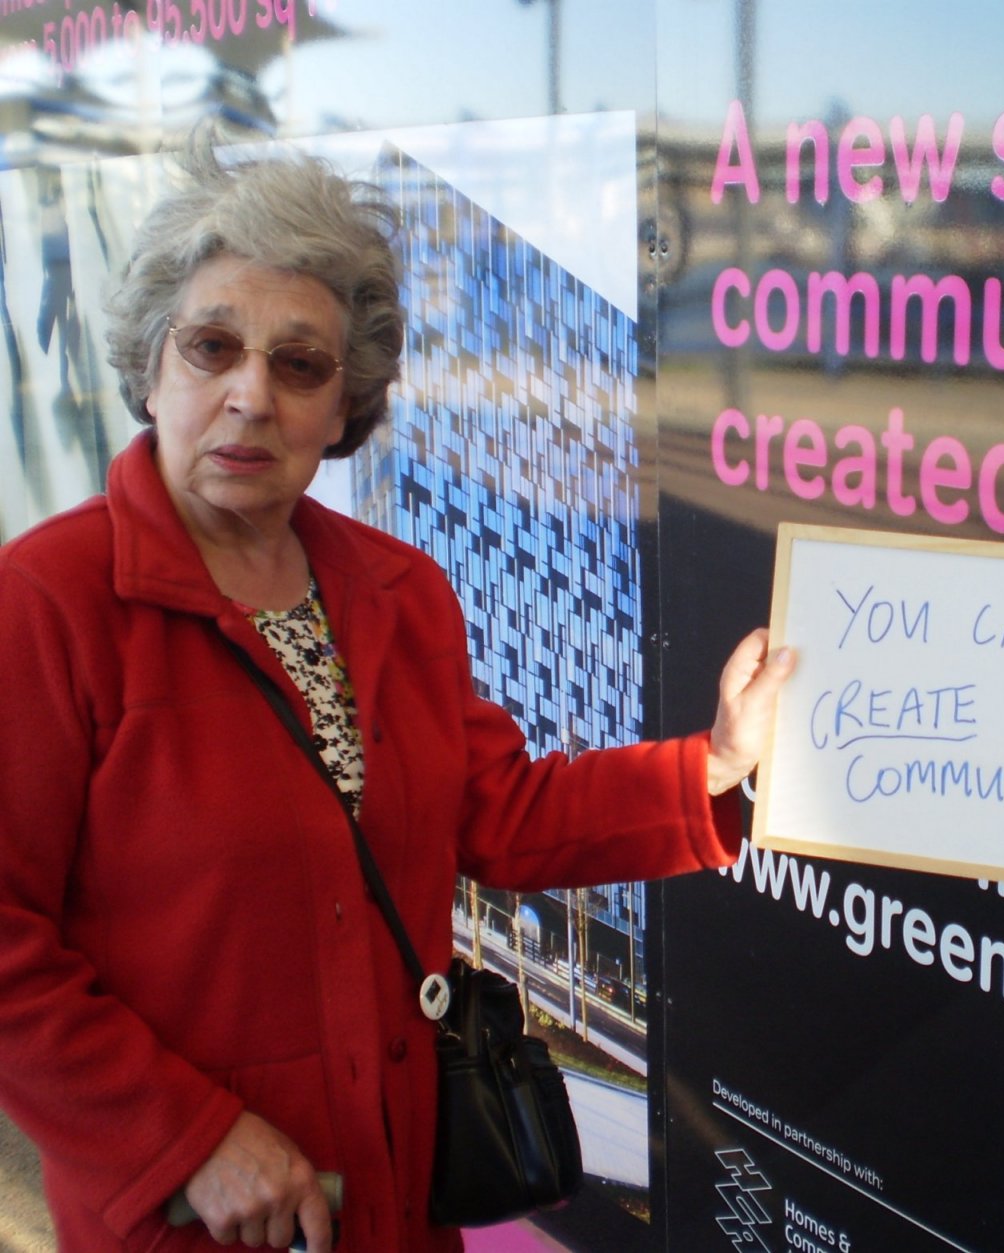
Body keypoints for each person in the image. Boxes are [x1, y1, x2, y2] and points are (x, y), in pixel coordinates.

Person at [0, 141, 792, 1252]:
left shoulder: (399, 593)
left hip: (396, 1197)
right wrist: (188, 1138)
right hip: (196, 1220)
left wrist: (707, 762)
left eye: (301, 364)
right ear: (150, 367)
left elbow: (497, 811)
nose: (250, 395)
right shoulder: (44, 602)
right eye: (212, 347)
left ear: (347, 407)